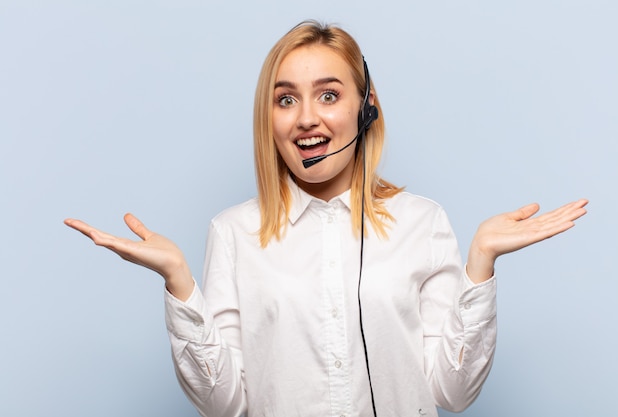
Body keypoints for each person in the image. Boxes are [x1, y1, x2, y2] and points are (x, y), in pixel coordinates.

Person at [65, 20, 588, 417]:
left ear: (366, 109)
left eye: (330, 95)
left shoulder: (422, 222)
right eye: (286, 99)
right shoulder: (232, 233)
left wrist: (480, 266)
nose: (307, 118)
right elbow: (224, 402)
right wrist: (180, 285)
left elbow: (452, 392)